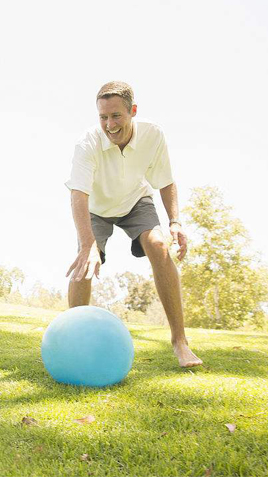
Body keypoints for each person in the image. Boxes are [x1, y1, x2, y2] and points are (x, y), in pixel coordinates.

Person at [65, 81, 202, 368]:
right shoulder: (88, 143)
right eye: (103, 117)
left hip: (135, 201)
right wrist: (89, 245)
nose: (110, 124)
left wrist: (174, 221)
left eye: (116, 116)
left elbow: (165, 181)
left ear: (133, 111)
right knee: (85, 264)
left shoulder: (153, 134)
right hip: (96, 209)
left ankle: (180, 342)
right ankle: (72, 344)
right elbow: (78, 194)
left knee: (159, 246)